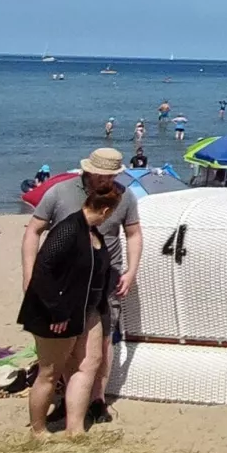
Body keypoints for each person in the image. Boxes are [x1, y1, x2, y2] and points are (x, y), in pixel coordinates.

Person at [23, 148, 141, 426]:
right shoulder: (60, 193)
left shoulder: (123, 196)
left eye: (113, 175)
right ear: (89, 171)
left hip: (106, 278)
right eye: (103, 175)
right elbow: (33, 231)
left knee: (101, 342)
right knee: (65, 346)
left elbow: (134, 233)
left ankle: (97, 399)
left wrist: (131, 271)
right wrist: (29, 275)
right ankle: (69, 401)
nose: (108, 180)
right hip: (66, 283)